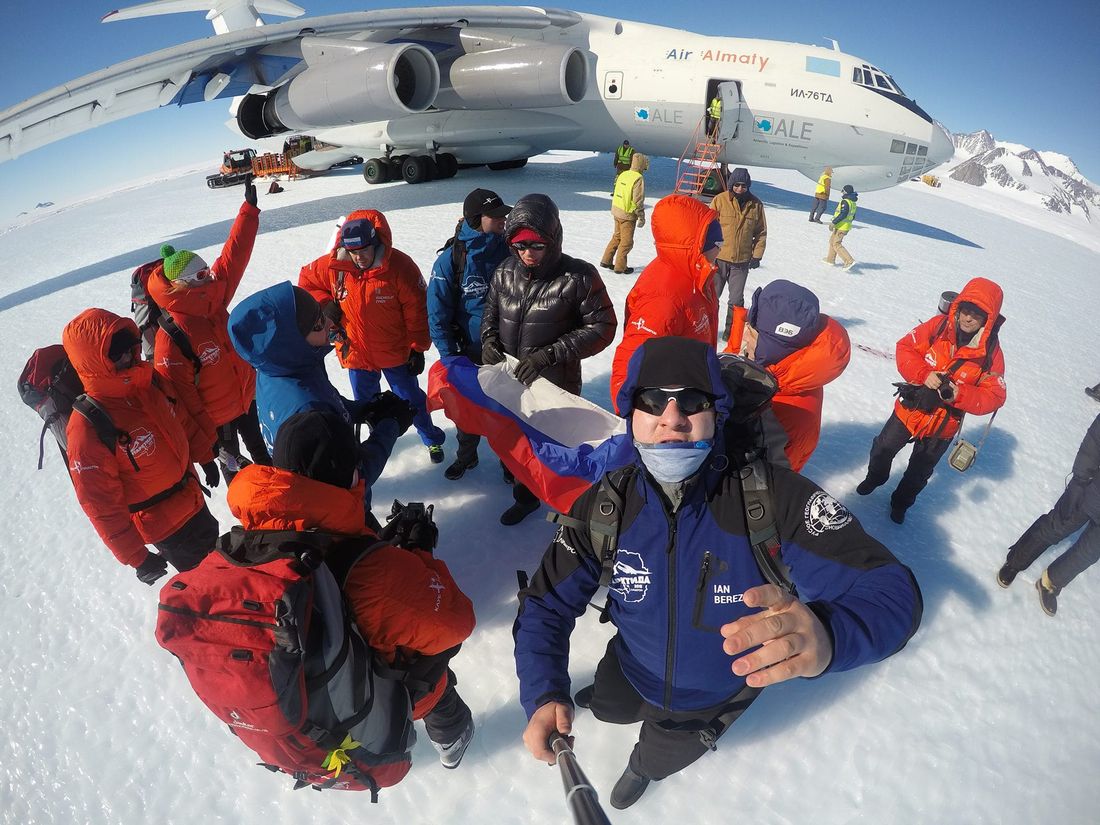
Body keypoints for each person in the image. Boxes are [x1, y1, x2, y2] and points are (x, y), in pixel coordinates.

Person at [514, 336, 922, 809]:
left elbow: (890, 590)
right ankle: (610, 705)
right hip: (629, 666)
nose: (672, 417)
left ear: (717, 414)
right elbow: (546, 602)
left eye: (692, 400)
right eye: (651, 400)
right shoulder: (607, 506)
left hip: (709, 697)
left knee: (662, 754)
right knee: (608, 703)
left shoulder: (771, 499)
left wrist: (830, 635)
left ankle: (643, 768)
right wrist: (543, 691)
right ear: (632, 417)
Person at [227, 409, 477, 767]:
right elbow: (457, 620)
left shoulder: (249, 538)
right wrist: (420, 555)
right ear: (346, 475)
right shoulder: (375, 574)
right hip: (374, 694)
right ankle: (451, 738)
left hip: (296, 702)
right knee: (431, 677)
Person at [228, 282, 415, 527]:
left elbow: (328, 401)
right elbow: (354, 480)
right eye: (317, 324)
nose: (329, 324)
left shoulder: (280, 370)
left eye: (321, 313)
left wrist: (363, 409)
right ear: (289, 342)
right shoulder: (307, 411)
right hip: (342, 517)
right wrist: (390, 426)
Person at [481, 193, 617, 525]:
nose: (527, 253)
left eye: (536, 245)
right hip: (512, 382)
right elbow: (490, 314)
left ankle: (562, 497)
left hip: (555, 385)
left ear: (553, 239)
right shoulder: (504, 272)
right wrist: (488, 339)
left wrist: (549, 355)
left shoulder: (578, 277)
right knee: (514, 439)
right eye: (519, 245)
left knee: (552, 447)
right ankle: (523, 493)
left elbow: (603, 326)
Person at [62, 308, 221, 584]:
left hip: (193, 497)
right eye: (115, 354)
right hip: (165, 527)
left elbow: (180, 419)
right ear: (93, 363)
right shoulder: (86, 428)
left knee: (222, 564)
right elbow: (101, 506)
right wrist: (136, 556)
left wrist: (205, 456)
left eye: (129, 348)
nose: (127, 357)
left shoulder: (149, 383)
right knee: (210, 583)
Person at [299, 209, 446, 463]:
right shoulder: (335, 265)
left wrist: (418, 347)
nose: (359, 258)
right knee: (365, 406)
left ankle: (431, 438)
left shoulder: (399, 266)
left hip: (395, 353)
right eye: (354, 252)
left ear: (375, 243)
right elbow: (306, 281)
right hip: (355, 352)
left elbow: (417, 310)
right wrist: (323, 303)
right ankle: (378, 441)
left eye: (364, 250)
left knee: (411, 400)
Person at [148, 176, 270, 480]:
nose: (210, 276)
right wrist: (206, 448)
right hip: (217, 423)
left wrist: (248, 212)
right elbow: (182, 402)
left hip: (246, 398)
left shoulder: (211, 297)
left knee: (264, 458)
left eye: (207, 270)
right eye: (202, 274)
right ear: (182, 284)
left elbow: (233, 256)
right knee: (239, 478)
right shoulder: (172, 337)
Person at [856, 278, 1007, 524]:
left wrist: (960, 394)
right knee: (882, 448)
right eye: (966, 310)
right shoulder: (938, 326)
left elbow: (995, 396)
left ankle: (900, 503)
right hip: (910, 409)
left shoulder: (991, 354)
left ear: (988, 320)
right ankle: (875, 478)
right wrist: (924, 374)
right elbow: (905, 347)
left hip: (942, 426)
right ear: (958, 307)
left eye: (977, 315)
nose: (968, 318)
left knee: (919, 473)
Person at [427, 188, 512, 481]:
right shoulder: (452, 260)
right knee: (467, 411)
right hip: (467, 352)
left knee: (506, 411)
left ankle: (510, 464)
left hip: (505, 350)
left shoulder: (508, 247)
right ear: (477, 219)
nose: (504, 220)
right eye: (496, 215)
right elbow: (436, 313)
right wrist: (450, 357)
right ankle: (466, 456)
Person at [723, 279, 851, 471]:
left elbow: (766, 482)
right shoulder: (788, 369)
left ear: (773, 347)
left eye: (752, 332)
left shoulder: (787, 415)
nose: (744, 336)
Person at [609, 194, 722, 406]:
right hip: (667, 407)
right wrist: (631, 411)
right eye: (717, 242)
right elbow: (632, 358)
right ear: (696, 246)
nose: (721, 248)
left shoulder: (696, 275)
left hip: (688, 395)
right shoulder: (663, 297)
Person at [998, 414, 1100, 616]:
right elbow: (1095, 439)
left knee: (1089, 553)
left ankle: (1051, 582)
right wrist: (1080, 479)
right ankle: (1016, 561)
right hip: (1091, 489)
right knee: (1057, 526)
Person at [709, 167, 767, 339]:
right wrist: (707, 252)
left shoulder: (756, 205)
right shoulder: (719, 200)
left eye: (743, 186)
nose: (740, 189)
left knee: (736, 301)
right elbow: (708, 226)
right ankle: (708, 330)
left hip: (741, 262)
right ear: (731, 185)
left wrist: (757, 255)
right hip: (718, 259)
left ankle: (731, 334)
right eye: (736, 185)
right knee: (711, 297)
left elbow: (761, 232)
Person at [600, 152, 649, 275]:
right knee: (626, 242)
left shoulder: (623, 174)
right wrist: (641, 217)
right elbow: (638, 199)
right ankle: (620, 267)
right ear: (642, 164)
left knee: (617, 237)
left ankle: (606, 260)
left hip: (616, 211)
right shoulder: (638, 178)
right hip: (627, 215)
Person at [823, 184, 858, 271]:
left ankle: (849, 261)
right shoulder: (852, 202)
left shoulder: (846, 201)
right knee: (832, 241)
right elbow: (853, 216)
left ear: (845, 192)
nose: (841, 192)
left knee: (836, 243)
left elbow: (843, 214)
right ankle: (830, 259)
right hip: (841, 225)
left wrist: (834, 223)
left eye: (842, 190)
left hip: (842, 227)